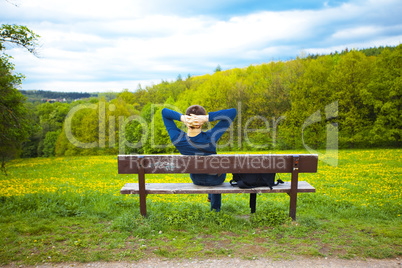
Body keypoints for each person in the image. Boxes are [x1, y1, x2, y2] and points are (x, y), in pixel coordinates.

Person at [161, 105, 237, 212]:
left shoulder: (177, 139)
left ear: (187, 122)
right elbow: (232, 111)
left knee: (211, 169)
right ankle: (215, 210)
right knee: (217, 169)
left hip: (196, 179)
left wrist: (182, 118)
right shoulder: (211, 137)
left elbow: (164, 112)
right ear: (201, 122)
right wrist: (206, 118)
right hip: (215, 180)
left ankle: (211, 196)